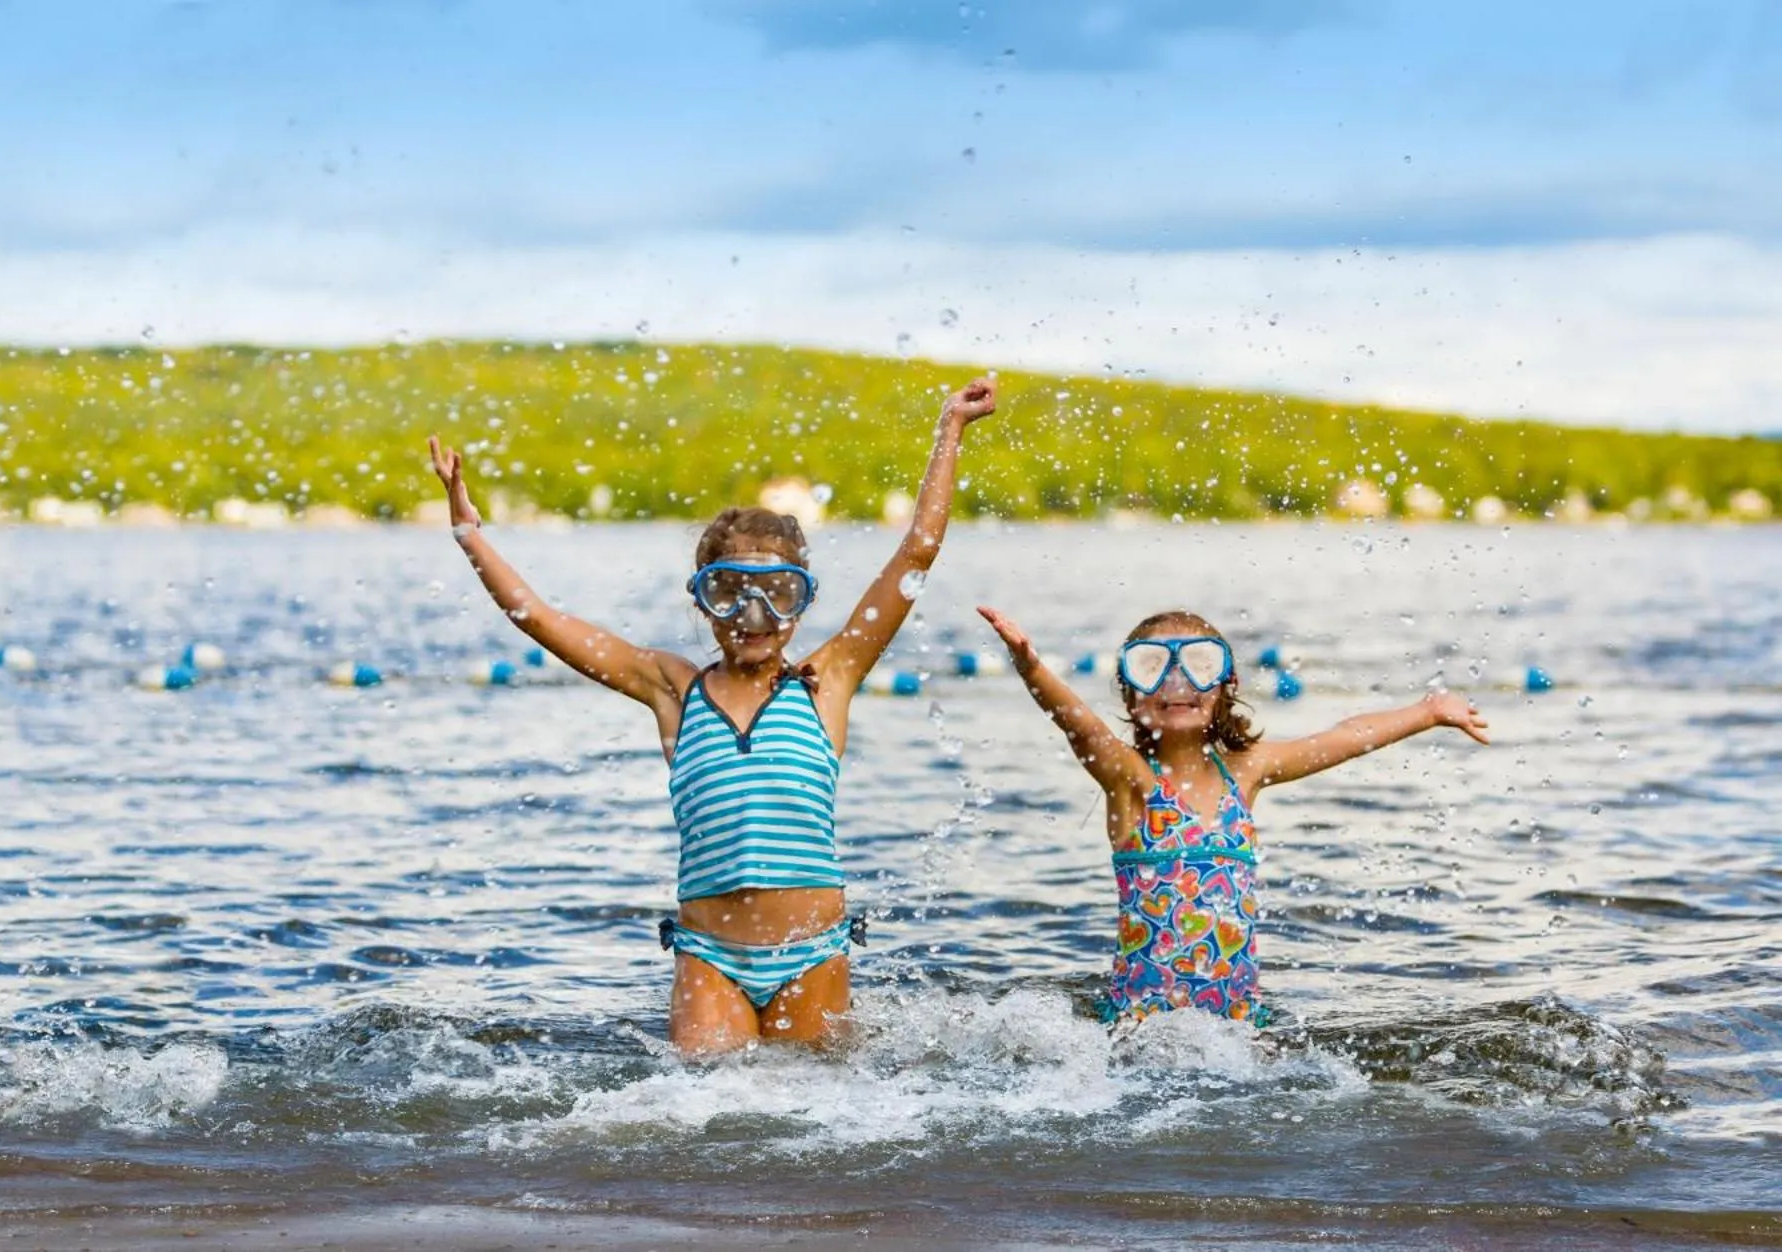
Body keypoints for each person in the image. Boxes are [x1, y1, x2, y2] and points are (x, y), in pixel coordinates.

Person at [428, 377, 998, 1055]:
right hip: (709, 957)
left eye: (776, 595)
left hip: (810, 952)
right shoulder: (674, 689)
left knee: (817, 1123)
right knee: (709, 1125)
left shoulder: (828, 679)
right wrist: (469, 535)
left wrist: (950, 431)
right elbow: (544, 620)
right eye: (728, 595)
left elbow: (918, 550)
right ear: (702, 601)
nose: (753, 617)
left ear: (802, 600)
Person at [975, 606, 1489, 1026]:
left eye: (1197, 665)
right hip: (1140, 1027)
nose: (1177, 681)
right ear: (1131, 697)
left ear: (1225, 684)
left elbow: (1343, 738)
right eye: (1154, 668)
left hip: (1238, 1024)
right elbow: (1080, 727)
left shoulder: (1245, 772)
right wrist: (1031, 667)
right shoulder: (1131, 780)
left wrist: (1429, 712)